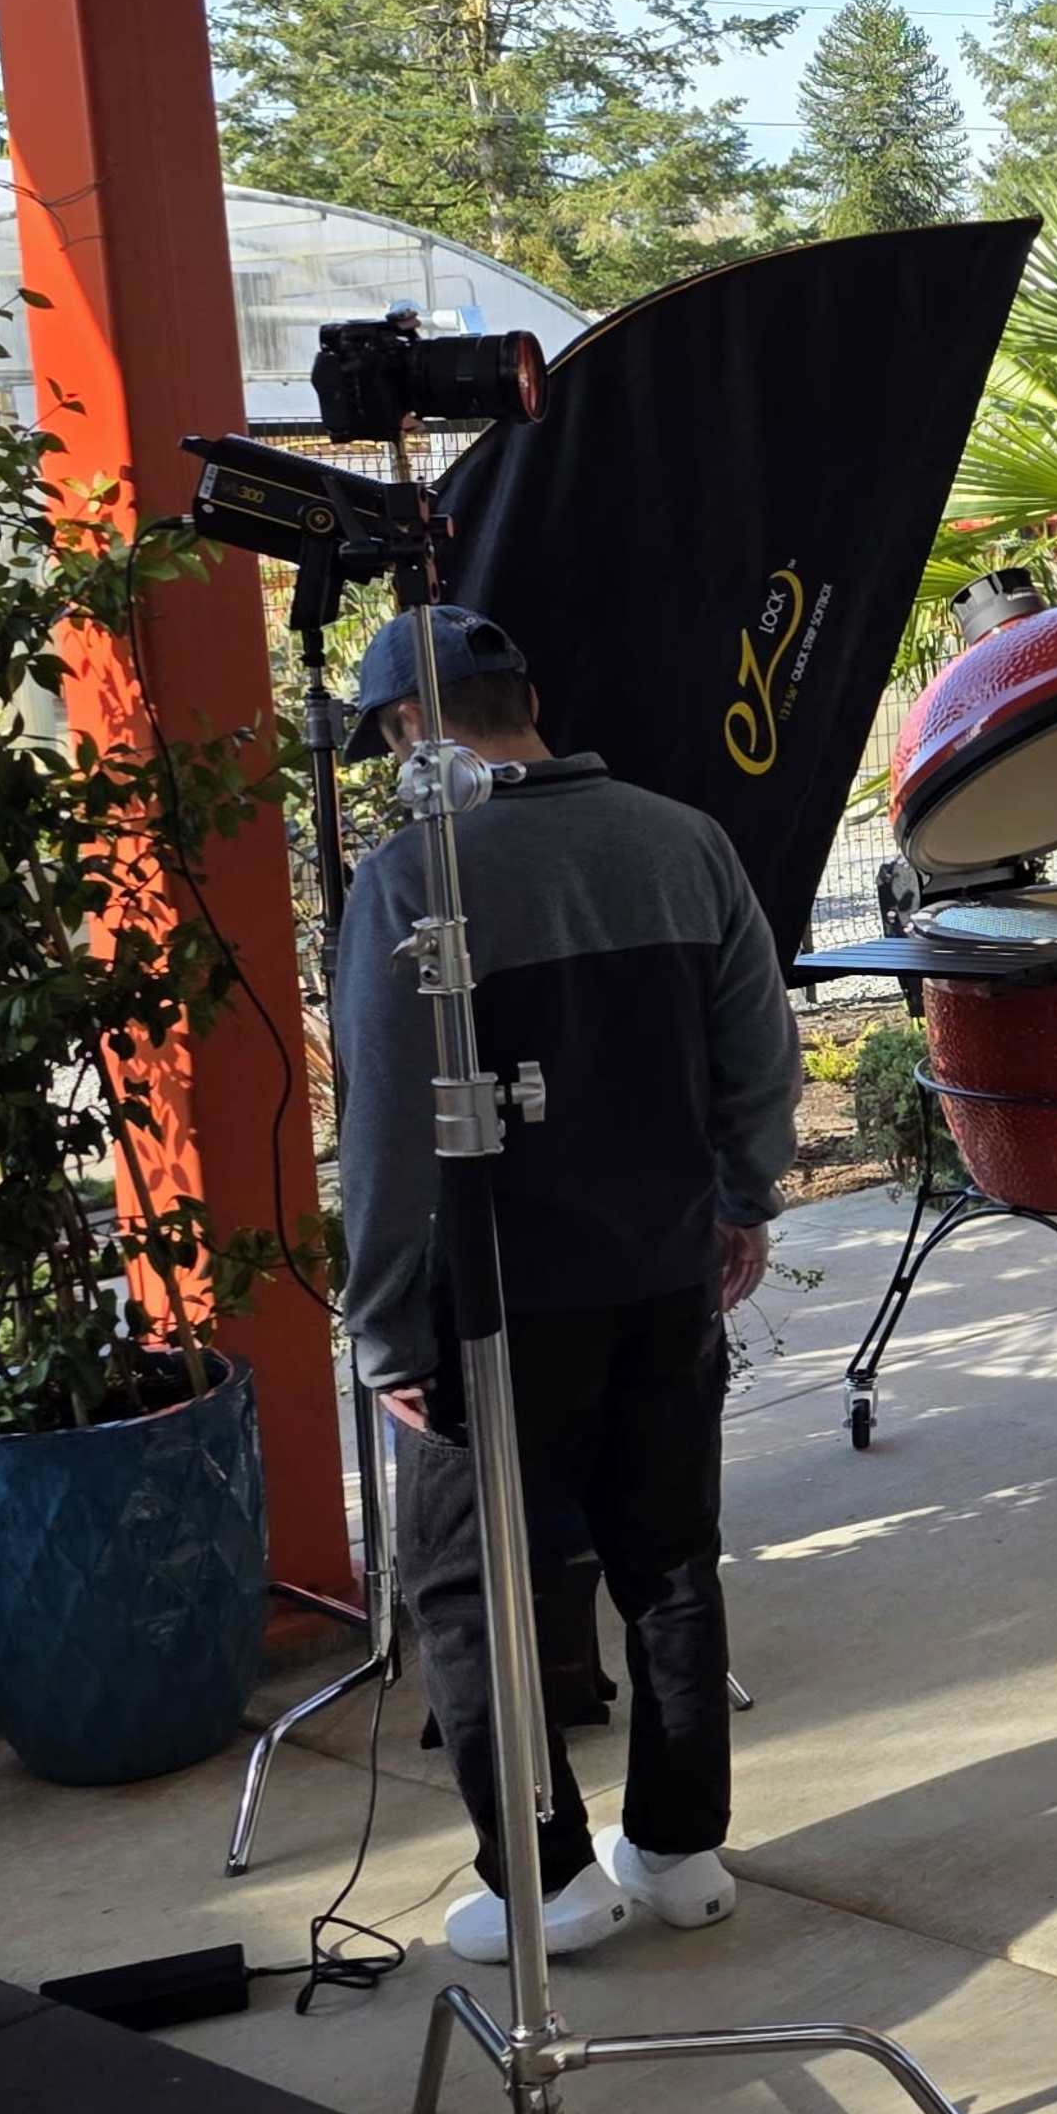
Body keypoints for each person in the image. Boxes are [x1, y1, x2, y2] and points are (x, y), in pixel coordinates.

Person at [334, 606, 797, 1963]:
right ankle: (679, 1850)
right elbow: (760, 1049)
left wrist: (382, 1323)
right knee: (667, 1560)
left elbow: (392, 1128)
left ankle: (548, 1880)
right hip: (664, 1277)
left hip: (492, 1307)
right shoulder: (682, 838)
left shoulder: (414, 876)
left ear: (409, 730)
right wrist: (741, 1196)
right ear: (526, 693)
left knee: (477, 1591)